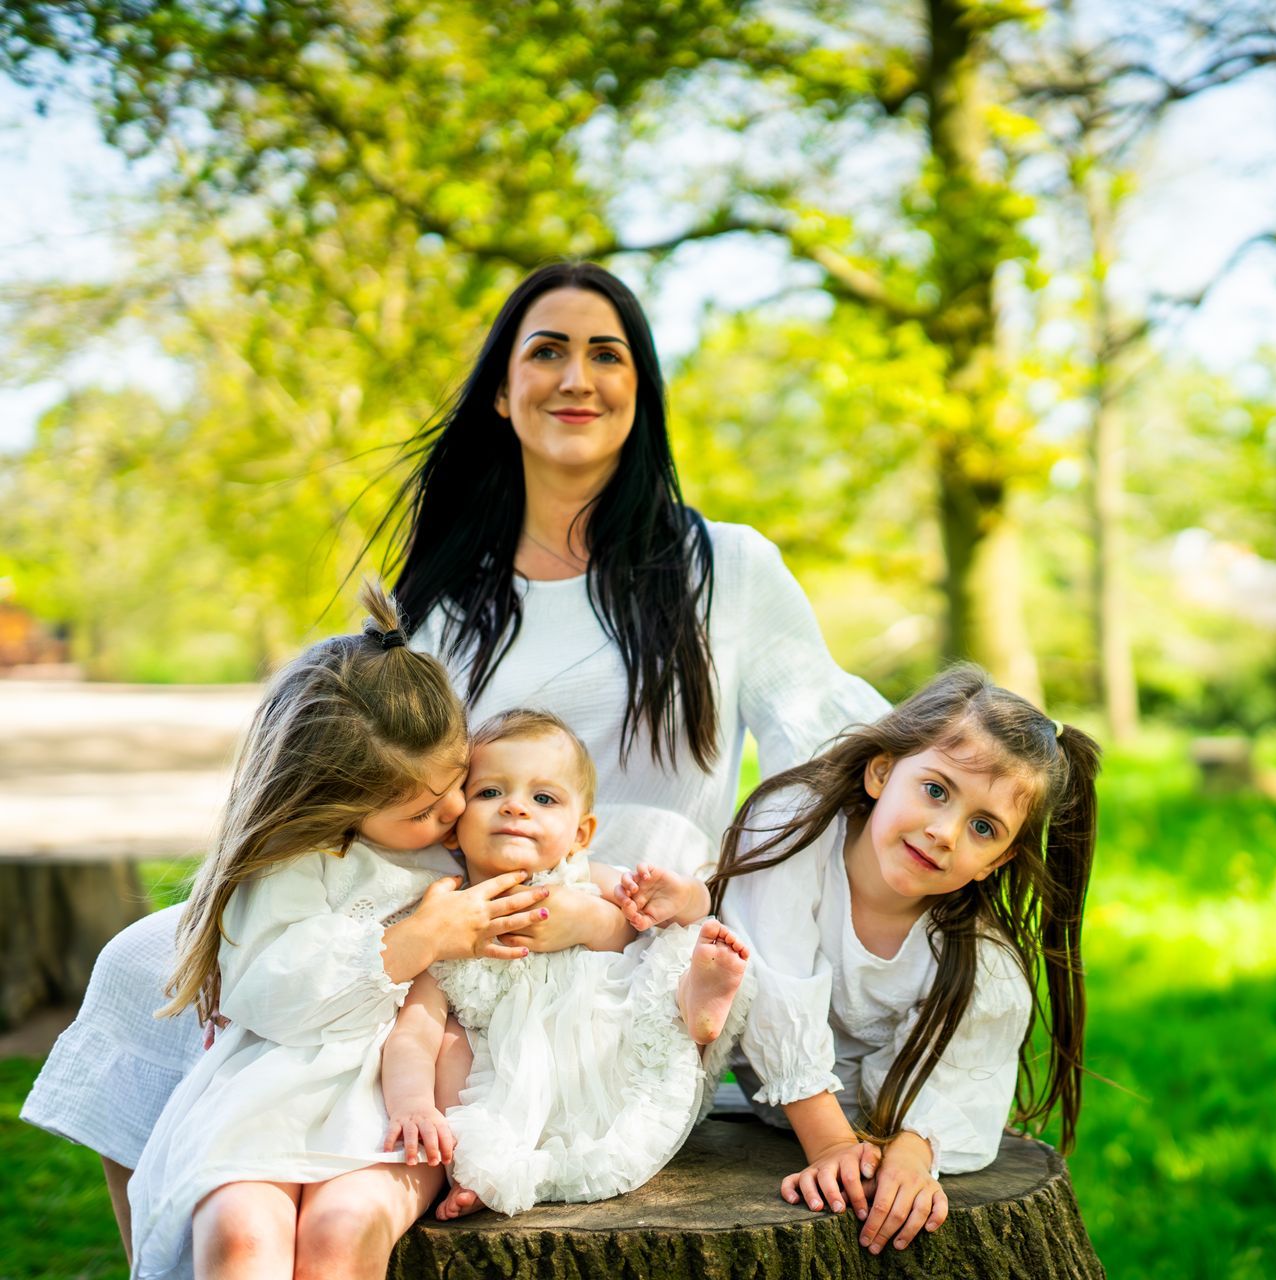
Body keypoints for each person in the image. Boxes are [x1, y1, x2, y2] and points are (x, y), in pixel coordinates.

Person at [23, 260, 888, 1252]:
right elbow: (371, 770)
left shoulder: (722, 567)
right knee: (142, 963)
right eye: (546, 350)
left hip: (630, 938)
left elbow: (832, 746)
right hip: (442, 901)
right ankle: (171, 1251)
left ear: (641, 391)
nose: (578, 376)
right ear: (499, 390)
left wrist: (620, 910)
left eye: (607, 354)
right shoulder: (444, 583)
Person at [126, 584, 551, 1280]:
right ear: (334, 802)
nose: (452, 810)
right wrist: (421, 937)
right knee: (239, 1238)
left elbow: (568, 895)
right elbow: (273, 995)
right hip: (273, 1092)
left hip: (399, 1105)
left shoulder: (475, 838)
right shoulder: (297, 863)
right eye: (421, 810)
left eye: (458, 781)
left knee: (340, 1234)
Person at [711, 665, 1100, 1255]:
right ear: (883, 769)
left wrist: (911, 1156)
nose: (945, 833)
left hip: (878, 1127)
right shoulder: (796, 830)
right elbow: (770, 983)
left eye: (983, 826)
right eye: (936, 790)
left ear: (997, 859)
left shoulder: (979, 962)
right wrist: (832, 1148)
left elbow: (960, 1078)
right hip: (783, 1103)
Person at [381, 708, 750, 1220]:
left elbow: (687, 911)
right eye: (490, 793)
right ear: (452, 826)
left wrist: (681, 894)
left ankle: (698, 1000)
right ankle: (478, 1167)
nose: (515, 808)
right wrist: (412, 1105)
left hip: (609, 1051)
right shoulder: (448, 915)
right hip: (515, 1079)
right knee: (446, 1045)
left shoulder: (586, 876)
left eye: (543, 798)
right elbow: (412, 1033)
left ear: (580, 833)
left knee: (675, 941)